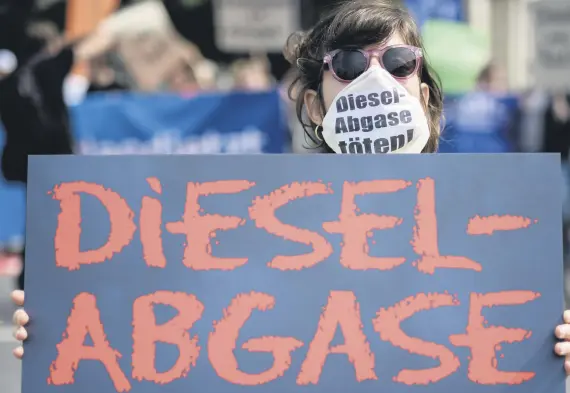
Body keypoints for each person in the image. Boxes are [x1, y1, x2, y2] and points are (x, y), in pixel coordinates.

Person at [10, 0, 570, 374]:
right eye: (348, 64)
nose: (376, 80)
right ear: (312, 102)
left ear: (423, 93)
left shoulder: (496, 231)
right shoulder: (257, 230)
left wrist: (557, 355)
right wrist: (65, 330)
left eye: (398, 61)